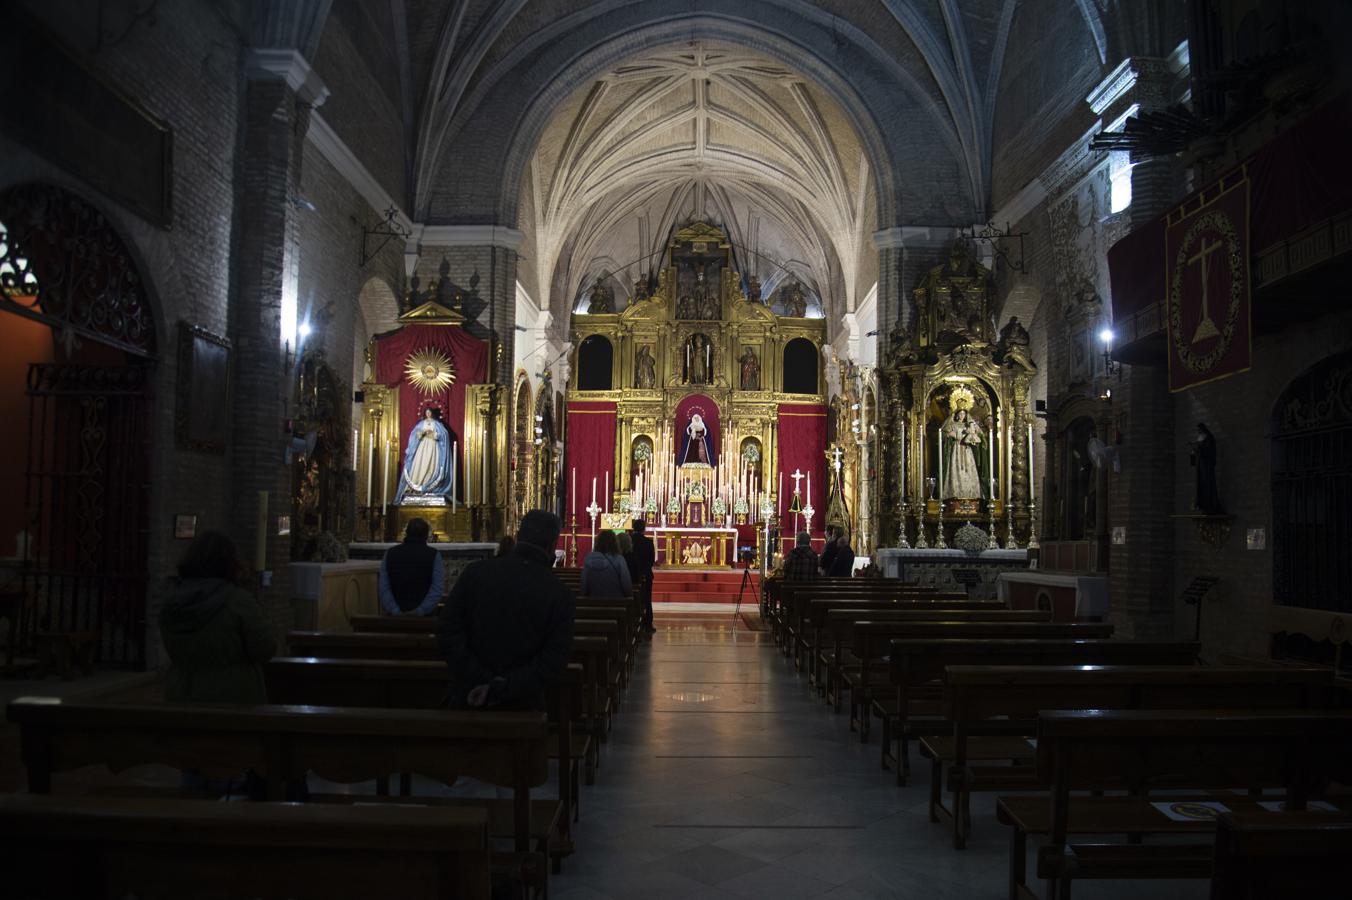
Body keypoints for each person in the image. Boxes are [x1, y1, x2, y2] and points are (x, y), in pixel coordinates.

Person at [436, 510, 575, 710]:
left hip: (469, 697)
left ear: (518, 536)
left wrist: (479, 679)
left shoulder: (475, 573)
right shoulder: (559, 593)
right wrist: (505, 686)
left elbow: (447, 630)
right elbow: (554, 660)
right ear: (553, 545)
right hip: (523, 707)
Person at [160, 531, 275, 704]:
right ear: (231, 563)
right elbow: (265, 649)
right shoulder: (237, 601)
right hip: (231, 695)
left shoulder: (172, 600)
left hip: (182, 693)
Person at [378, 518, 444, 616]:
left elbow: (383, 587)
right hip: (425, 619)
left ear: (406, 532)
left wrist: (395, 610)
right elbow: (437, 589)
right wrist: (420, 611)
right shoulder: (434, 555)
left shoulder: (390, 553)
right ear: (426, 535)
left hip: (394, 619)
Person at [395, 407, 453, 503]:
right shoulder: (421, 423)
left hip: (433, 447)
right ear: (425, 413)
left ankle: (429, 486)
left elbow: (444, 434)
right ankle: (418, 484)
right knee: (420, 464)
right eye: (427, 412)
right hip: (422, 446)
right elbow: (414, 434)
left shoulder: (437, 424)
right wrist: (421, 433)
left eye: (430, 412)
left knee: (431, 465)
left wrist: (434, 434)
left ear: (432, 413)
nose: (428, 414)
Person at [941, 407, 985, 499]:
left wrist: (972, 435)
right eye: (960, 414)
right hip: (956, 449)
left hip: (966, 449)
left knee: (968, 469)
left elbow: (978, 435)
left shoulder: (969, 424)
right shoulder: (953, 424)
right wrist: (950, 435)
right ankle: (955, 494)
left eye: (964, 414)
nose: (962, 415)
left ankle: (970, 495)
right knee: (955, 469)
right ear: (957, 415)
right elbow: (944, 433)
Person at [580, 530, 633, 599]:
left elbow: (584, 584)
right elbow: (627, 585)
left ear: (597, 542)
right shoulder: (619, 559)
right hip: (617, 604)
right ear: (614, 543)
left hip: (593, 603)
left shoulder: (588, 558)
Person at [629, 519, 657, 633]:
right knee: (647, 599)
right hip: (645, 574)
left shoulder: (628, 540)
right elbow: (651, 560)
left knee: (631, 598)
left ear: (633, 528)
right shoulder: (648, 542)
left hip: (631, 574)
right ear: (644, 529)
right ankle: (648, 624)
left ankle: (632, 624)